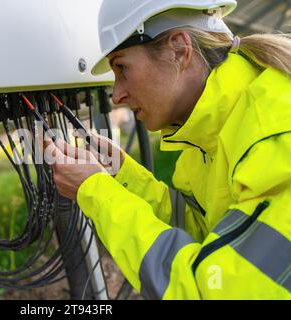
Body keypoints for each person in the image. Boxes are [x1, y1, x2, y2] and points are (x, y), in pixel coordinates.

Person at [44, 0, 291, 299]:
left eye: (122, 68)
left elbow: (205, 291)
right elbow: (204, 233)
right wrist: (123, 175)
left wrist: (96, 192)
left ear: (179, 50)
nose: (118, 94)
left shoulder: (275, 138)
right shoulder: (210, 140)